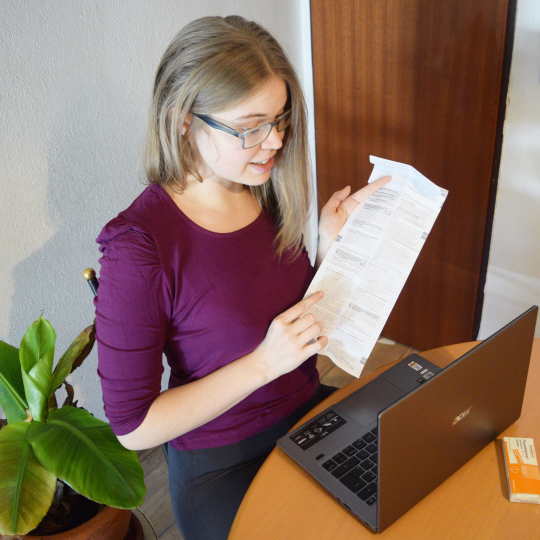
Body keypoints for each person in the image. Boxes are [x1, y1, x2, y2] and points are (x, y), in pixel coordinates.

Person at [95, 15, 389, 540]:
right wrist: (262, 365)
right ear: (183, 120)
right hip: (223, 461)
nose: (274, 141)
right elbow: (133, 428)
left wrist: (331, 248)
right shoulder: (138, 248)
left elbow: (283, 319)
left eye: (280, 120)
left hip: (307, 415)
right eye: (251, 127)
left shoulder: (262, 192)